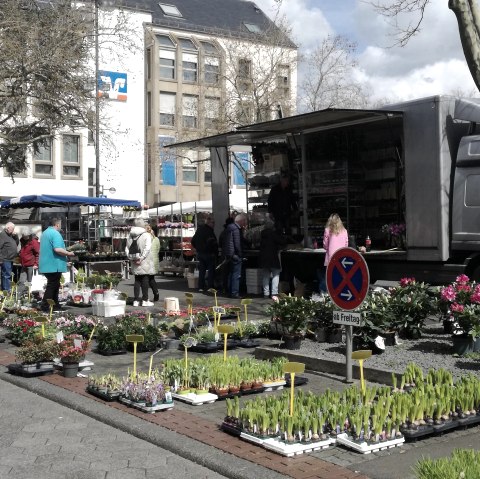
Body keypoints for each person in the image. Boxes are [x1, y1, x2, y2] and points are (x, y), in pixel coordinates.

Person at [38, 218, 75, 311]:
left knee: (54, 285)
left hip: (46, 264)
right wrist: (69, 253)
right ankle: (45, 305)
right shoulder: (55, 233)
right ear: (57, 225)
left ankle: (55, 305)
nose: (60, 226)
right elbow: (57, 249)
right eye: (60, 225)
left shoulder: (45, 233)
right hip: (54, 265)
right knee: (52, 285)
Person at [126, 219, 154, 307]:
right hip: (144, 261)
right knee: (145, 279)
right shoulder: (146, 235)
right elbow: (147, 248)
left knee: (137, 280)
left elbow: (127, 248)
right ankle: (145, 300)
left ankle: (136, 300)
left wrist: (131, 258)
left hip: (134, 260)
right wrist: (141, 258)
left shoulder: (130, 235)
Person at [320, 213, 349, 292]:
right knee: (340, 279)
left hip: (331, 258)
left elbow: (325, 245)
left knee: (330, 279)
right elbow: (346, 245)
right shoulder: (345, 231)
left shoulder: (327, 230)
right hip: (342, 259)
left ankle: (329, 295)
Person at [259, 219, 287, 299]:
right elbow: (282, 242)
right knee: (276, 274)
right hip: (273, 258)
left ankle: (266, 293)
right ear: (272, 227)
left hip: (263, 258)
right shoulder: (273, 234)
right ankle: (274, 293)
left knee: (265, 276)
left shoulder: (262, 234)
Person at [222, 213, 247, 298]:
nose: (245, 223)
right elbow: (237, 244)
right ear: (241, 221)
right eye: (244, 221)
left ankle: (230, 291)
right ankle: (235, 292)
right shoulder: (236, 229)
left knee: (231, 274)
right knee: (236, 275)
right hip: (235, 255)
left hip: (229, 254)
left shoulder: (229, 228)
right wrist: (240, 254)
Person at [191, 216, 218, 292]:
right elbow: (213, 243)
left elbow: (193, 241)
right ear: (209, 223)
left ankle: (201, 287)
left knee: (202, 271)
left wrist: (197, 248)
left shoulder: (199, 230)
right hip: (209, 253)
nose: (214, 224)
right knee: (211, 271)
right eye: (213, 223)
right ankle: (210, 287)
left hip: (200, 253)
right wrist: (215, 251)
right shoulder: (210, 231)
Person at [217, 217, 234, 294]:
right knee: (231, 272)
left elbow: (220, 244)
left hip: (224, 254)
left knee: (224, 272)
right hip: (231, 254)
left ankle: (224, 288)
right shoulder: (232, 231)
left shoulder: (223, 232)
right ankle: (229, 288)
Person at [0, 222, 18, 291]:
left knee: (7, 275)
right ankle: (6, 291)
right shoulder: (2, 235)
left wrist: (16, 236)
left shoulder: (10, 235)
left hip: (10, 259)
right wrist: (1, 259)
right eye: (12, 229)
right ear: (8, 228)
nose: (13, 230)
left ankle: (5, 289)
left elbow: (16, 243)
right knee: (6, 275)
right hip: (5, 259)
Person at [145, 224, 160, 302]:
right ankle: (156, 292)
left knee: (145, 279)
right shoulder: (156, 239)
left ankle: (146, 296)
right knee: (151, 278)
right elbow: (158, 250)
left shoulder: (146, 239)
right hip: (155, 261)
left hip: (148, 260)